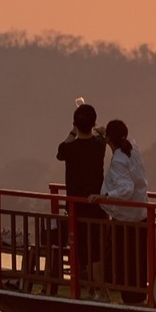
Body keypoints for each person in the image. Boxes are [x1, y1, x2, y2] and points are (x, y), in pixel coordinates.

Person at [89, 119, 149, 304]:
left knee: (125, 260)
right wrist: (106, 133)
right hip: (141, 214)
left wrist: (105, 196)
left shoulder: (118, 161)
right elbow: (124, 136)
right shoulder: (133, 148)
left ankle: (129, 298)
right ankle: (138, 296)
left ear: (109, 139)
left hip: (126, 219)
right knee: (139, 260)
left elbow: (126, 189)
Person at [57, 103, 108, 298]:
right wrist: (99, 130)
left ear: (75, 125)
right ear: (93, 123)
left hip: (75, 207)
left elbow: (60, 152)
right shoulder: (99, 145)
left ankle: (87, 290)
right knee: (97, 252)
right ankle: (102, 291)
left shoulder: (70, 148)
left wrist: (72, 132)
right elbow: (102, 136)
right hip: (96, 206)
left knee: (80, 251)